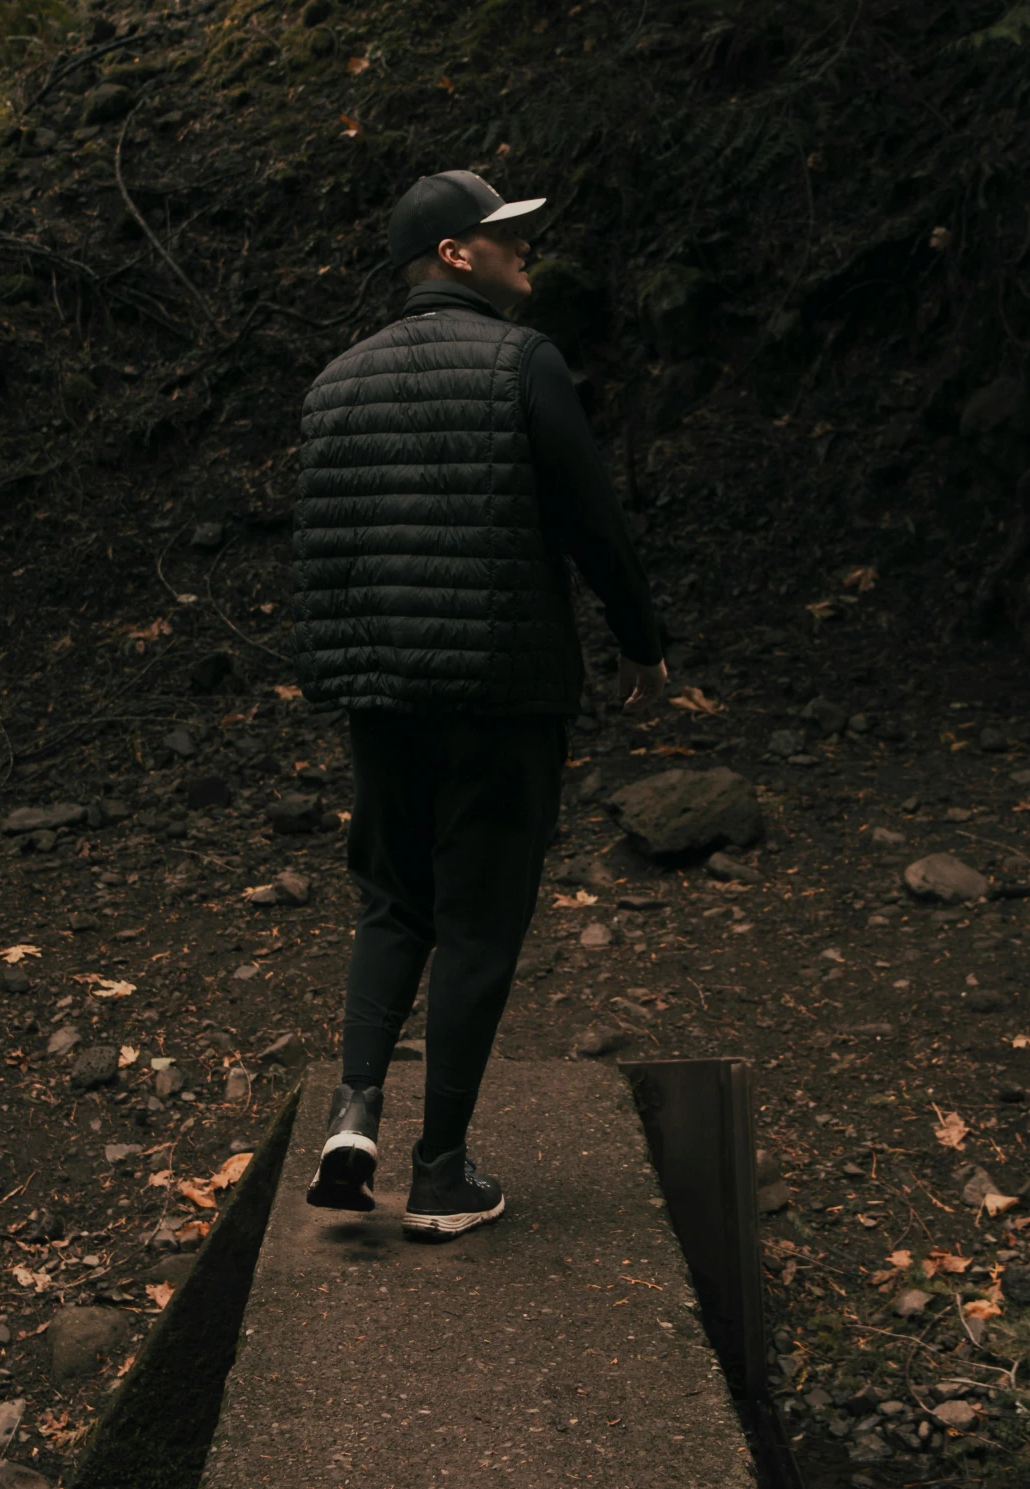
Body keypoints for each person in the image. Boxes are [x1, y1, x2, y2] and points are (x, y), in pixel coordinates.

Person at [291, 169, 667, 1238]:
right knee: (477, 922)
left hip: (382, 695)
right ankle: (442, 1173)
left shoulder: (334, 384)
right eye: (505, 237)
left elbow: (322, 557)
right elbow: (593, 520)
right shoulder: (522, 362)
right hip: (501, 693)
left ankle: (352, 1114)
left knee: (391, 899)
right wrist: (640, 646)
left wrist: (349, 674)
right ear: (455, 254)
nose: (523, 250)